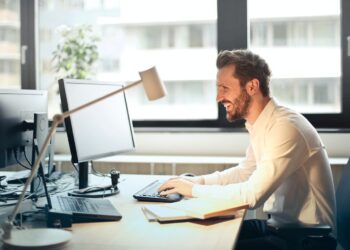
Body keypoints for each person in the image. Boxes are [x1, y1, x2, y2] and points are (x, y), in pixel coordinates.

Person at [158, 49, 336, 249]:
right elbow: (245, 172)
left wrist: (192, 190)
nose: (218, 97)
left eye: (225, 88)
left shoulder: (286, 127)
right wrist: (197, 181)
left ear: (252, 86)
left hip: (307, 240)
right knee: (199, 234)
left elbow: (252, 197)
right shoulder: (262, 124)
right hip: (279, 228)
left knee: (210, 245)